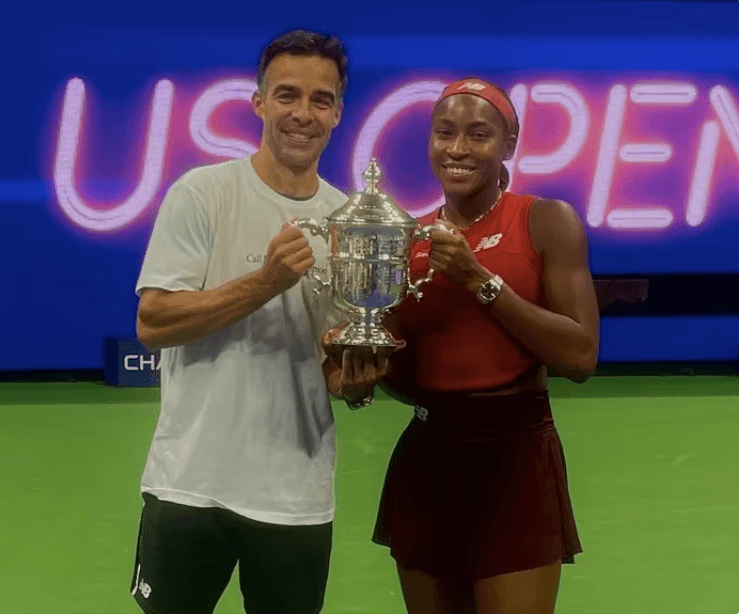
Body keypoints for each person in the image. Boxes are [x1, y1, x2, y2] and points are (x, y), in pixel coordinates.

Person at [129, 30, 383, 614]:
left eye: (321, 100)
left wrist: (353, 383)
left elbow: (332, 362)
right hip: (190, 483)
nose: (303, 113)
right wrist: (265, 282)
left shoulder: (350, 220)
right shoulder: (202, 194)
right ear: (259, 102)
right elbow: (154, 321)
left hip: (296, 496)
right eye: (287, 95)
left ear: (339, 112)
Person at [370, 77, 600, 614]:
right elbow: (410, 376)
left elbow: (580, 356)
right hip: (428, 460)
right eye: (444, 133)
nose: (458, 148)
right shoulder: (408, 238)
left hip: (516, 458)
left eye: (479, 134)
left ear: (509, 145)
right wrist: (367, 365)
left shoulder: (544, 220)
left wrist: (481, 282)